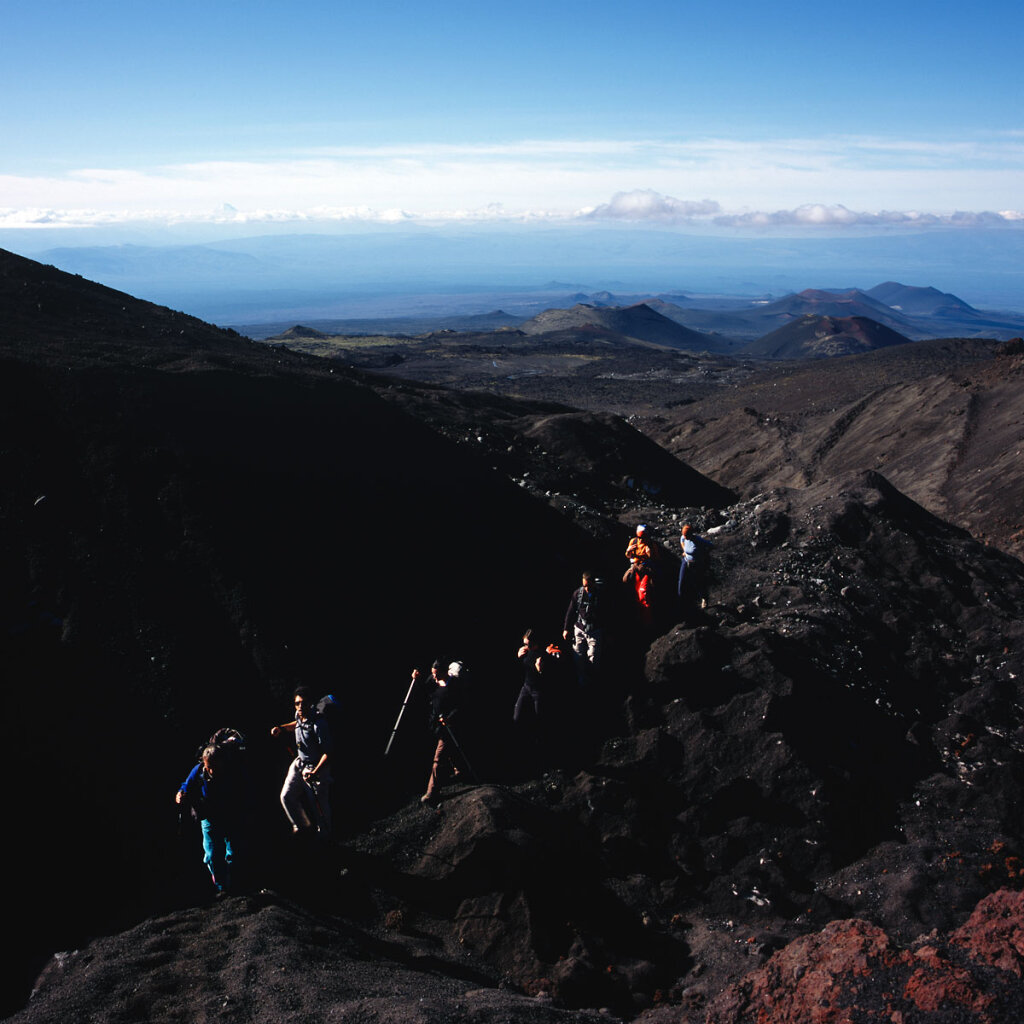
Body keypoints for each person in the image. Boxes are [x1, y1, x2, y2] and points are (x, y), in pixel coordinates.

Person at [175, 740, 246, 894]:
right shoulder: (198, 771)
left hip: (229, 815)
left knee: (233, 851)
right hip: (209, 816)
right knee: (212, 855)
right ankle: (222, 887)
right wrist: (180, 794)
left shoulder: (232, 772)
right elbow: (185, 785)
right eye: (209, 767)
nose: (212, 771)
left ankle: (233, 882)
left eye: (215, 766)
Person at [271, 686, 333, 836]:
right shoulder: (299, 715)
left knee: (320, 808)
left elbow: (329, 753)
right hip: (300, 763)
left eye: (303, 703)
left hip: (315, 768)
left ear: (310, 703)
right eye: (297, 703)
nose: (299, 707)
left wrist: (315, 772)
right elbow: (297, 724)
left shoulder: (319, 724)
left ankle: (327, 838)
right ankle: (302, 828)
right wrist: (282, 728)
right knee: (286, 796)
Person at [416, 660, 462, 804]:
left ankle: (432, 791)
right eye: (432, 674)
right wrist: (416, 677)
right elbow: (424, 685)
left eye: (436, 674)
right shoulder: (433, 680)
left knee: (439, 757)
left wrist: (450, 718)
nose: (434, 678)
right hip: (436, 723)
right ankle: (460, 770)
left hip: (449, 725)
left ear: (444, 672)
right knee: (450, 749)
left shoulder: (454, 686)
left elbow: (461, 705)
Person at [563, 571, 604, 685]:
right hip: (580, 628)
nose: (586, 588)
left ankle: (593, 680)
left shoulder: (600, 595)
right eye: (584, 585)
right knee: (578, 655)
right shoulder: (577, 594)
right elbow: (570, 612)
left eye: (588, 586)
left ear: (593, 583)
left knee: (593, 657)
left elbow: (607, 614)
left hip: (594, 630)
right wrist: (566, 628)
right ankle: (582, 679)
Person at [624, 524, 659, 623]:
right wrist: (628, 551)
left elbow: (657, 559)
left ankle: (647, 620)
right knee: (630, 586)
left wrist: (650, 554)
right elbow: (628, 556)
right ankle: (639, 617)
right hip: (636, 567)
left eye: (642, 537)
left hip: (647, 569)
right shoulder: (633, 542)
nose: (640, 540)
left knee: (643, 593)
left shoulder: (651, 545)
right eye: (639, 537)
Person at [677, 523, 713, 611]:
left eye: (686, 535)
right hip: (686, 561)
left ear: (690, 534)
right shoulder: (684, 537)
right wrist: (685, 551)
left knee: (698, 582)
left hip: (696, 563)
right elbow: (681, 540)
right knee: (681, 581)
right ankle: (681, 602)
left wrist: (702, 554)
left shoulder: (698, 540)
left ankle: (704, 598)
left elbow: (711, 545)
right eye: (683, 535)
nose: (684, 537)